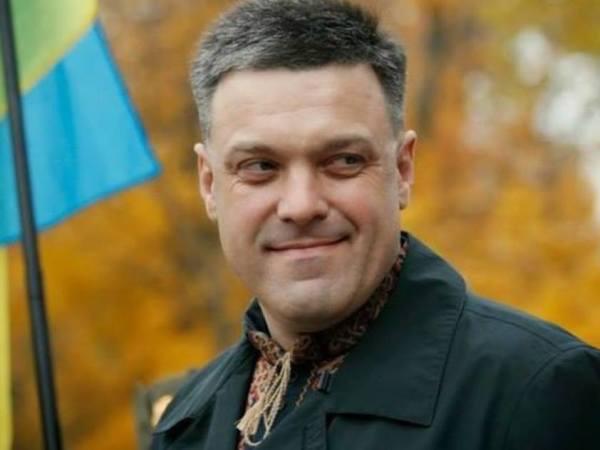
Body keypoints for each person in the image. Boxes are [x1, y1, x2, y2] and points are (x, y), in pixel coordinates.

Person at [151, 1, 600, 449]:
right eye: (260, 166)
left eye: (344, 161)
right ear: (209, 184)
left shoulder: (535, 394)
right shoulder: (185, 424)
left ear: (402, 170)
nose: (301, 205)